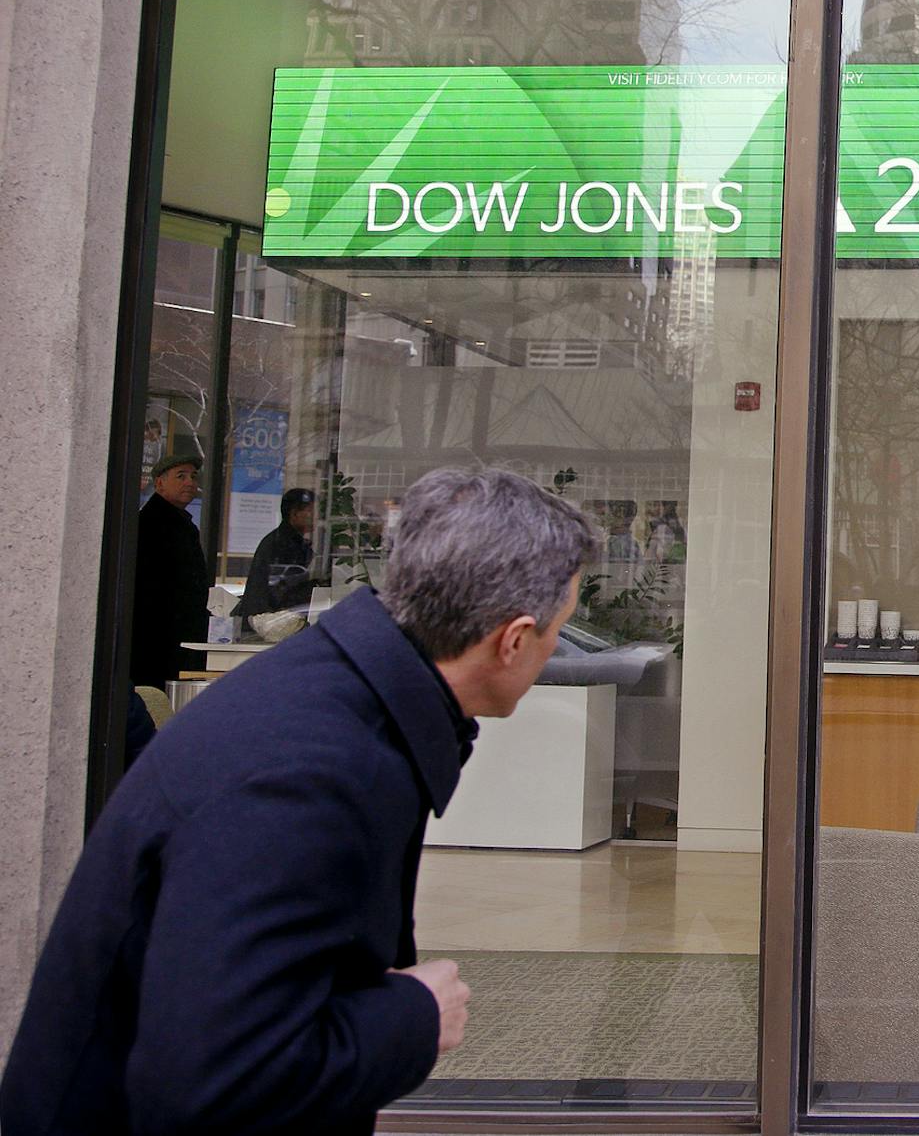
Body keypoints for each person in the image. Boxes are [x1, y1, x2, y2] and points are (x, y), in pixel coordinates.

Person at [1, 467, 600, 1135]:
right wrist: (411, 1016)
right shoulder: (308, 772)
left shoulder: (332, 702)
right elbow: (215, 1079)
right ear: (513, 639)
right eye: (556, 631)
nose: (550, 652)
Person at [131, 452, 208, 693]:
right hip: (158, 642)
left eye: (193, 477)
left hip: (177, 639)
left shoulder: (180, 523)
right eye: (181, 476)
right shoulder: (152, 524)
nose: (190, 483)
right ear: (160, 483)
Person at [234, 486, 317, 627]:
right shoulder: (283, 544)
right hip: (269, 622)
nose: (316, 517)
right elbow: (282, 590)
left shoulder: (289, 541)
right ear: (295, 514)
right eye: (311, 511)